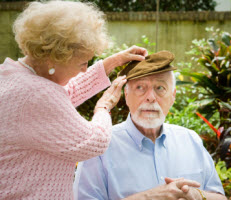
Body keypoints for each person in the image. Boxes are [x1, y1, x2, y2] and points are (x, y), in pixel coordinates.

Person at [0, 1, 148, 199]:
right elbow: (94, 142)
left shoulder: (12, 75)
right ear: (55, 58)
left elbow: (62, 96)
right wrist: (104, 107)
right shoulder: (38, 94)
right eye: (83, 62)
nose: (84, 69)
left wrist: (112, 62)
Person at [74, 51, 227, 200]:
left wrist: (196, 195)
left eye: (160, 88)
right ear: (126, 96)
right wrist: (148, 197)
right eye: (140, 88)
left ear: (172, 96)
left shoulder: (190, 140)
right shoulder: (99, 148)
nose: (151, 98)